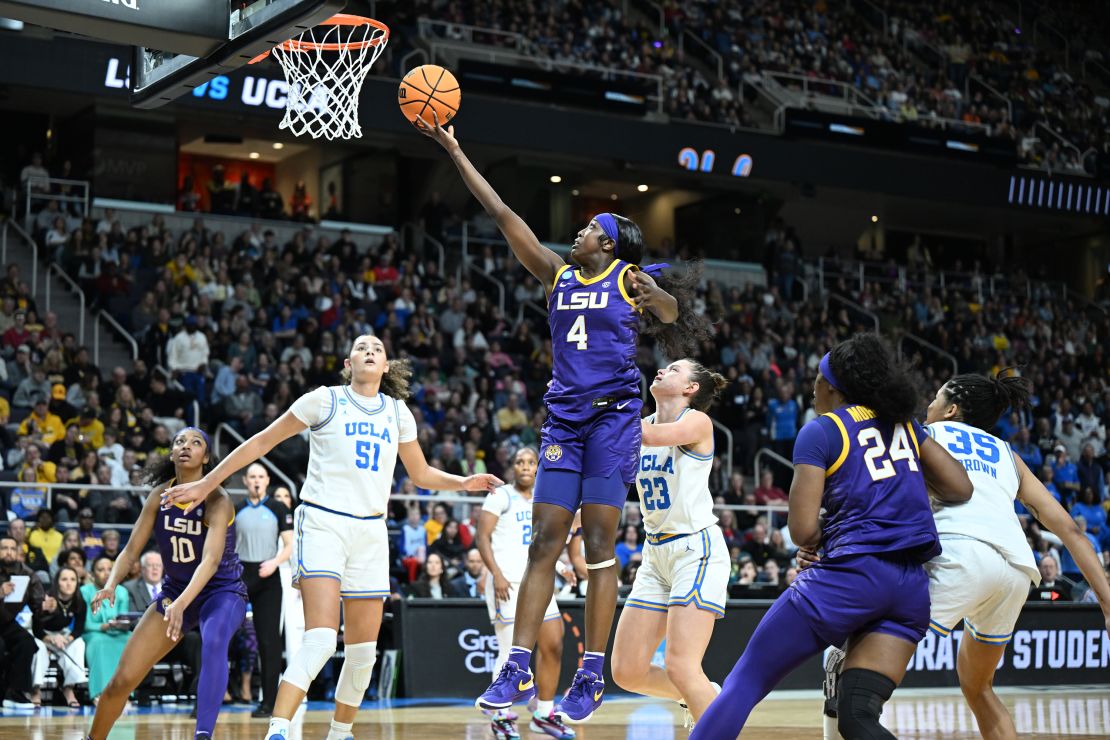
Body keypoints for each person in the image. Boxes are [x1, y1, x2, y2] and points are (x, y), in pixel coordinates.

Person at [418, 111, 710, 722]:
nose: (578, 231)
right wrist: (452, 147)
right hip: (565, 421)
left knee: (600, 542)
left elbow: (671, 310)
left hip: (613, 421)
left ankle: (591, 673)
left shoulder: (626, 280)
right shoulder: (557, 273)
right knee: (545, 541)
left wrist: (653, 294)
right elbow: (502, 213)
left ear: (608, 243)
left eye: (590, 228)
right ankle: (516, 664)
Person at [161, 335, 501, 740]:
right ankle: (279, 729)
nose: (370, 351)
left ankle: (340, 733)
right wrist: (206, 484)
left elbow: (421, 474)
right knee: (321, 639)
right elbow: (261, 442)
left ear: (387, 366)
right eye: (362, 347)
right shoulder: (324, 400)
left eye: (377, 348)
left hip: (371, 531)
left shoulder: (398, 413)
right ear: (348, 362)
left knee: (362, 655)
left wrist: (464, 482)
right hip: (324, 523)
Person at [691, 334, 974, 738]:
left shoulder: (822, 431)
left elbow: (802, 530)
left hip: (850, 579)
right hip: (909, 590)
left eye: (817, 379)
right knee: (857, 718)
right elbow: (959, 488)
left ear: (834, 387)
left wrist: (840, 529)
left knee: (745, 681)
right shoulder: (903, 424)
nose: (811, 388)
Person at [902, 372, 1110, 740]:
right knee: (978, 686)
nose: (928, 406)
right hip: (1015, 568)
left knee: (860, 657)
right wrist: (1108, 606)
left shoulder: (923, 435)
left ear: (951, 410)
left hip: (958, 551)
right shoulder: (1006, 454)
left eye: (935, 398)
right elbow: (1071, 531)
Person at [83, 427, 247, 740]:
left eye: (196, 442)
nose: (186, 446)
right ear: (171, 454)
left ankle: (203, 735)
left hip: (221, 591)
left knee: (213, 643)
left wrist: (182, 605)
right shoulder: (159, 496)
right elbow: (131, 550)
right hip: (175, 592)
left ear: (206, 457)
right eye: (179, 441)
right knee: (122, 680)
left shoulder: (218, 499)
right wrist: (111, 583)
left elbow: (210, 562)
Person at [612, 358, 731, 726]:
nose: (662, 370)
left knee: (681, 664)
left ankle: (709, 716)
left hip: (694, 549)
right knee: (626, 671)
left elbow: (644, 437)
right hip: (655, 553)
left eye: (674, 369)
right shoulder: (642, 425)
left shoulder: (695, 421)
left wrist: (598, 402)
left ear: (690, 388)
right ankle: (699, 693)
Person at [476, 448, 574, 739]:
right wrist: (496, 575)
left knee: (554, 644)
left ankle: (544, 713)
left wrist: (561, 565)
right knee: (509, 652)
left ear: (538, 467)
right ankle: (500, 716)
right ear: (512, 467)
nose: (525, 466)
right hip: (507, 582)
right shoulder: (500, 496)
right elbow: (482, 536)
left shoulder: (543, 501)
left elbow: (542, 543)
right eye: (520, 462)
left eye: (531, 462)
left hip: (538, 583)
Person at [234, 463, 294, 718]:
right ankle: (212, 698)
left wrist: (274, 563)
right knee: (220, 635)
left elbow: (290, 545)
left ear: (267, 480)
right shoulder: (236, 509)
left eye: (260, 476)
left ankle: (269, 703)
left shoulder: (278, 508)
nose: (256, 480)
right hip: (240, 575)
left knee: (269, 641)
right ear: (245, 481)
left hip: (268, 575)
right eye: (252, 477)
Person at [0, 535, 47, 707]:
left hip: (7, 623)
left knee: (26, 641)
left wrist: (46, 606)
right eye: (4, 548)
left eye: (13, 549)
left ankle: (15, 694)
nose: (9, 552)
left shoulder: (27, 573)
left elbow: (38, 602)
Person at [32, 566, 87, 708]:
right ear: (57, 582)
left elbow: (78, 630)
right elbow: (37, 629)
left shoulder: (80, 602)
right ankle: (36, 690)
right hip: (43, 636)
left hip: (63, 636)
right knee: (37, 648)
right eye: (64, 579)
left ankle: (68, 688)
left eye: (73, 579)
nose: (69, 583)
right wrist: (50, 639)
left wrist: (66, 640)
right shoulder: (47, 599)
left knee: (78, 643)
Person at [79, 555, 131, 704]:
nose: (106, 573)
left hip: (118, 633)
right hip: (94, 633)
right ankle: (100, 693)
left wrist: (121, 624)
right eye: (101, 569)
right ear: (92, 574)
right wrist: (104, 626)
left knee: (130, 640)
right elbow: (85, 624)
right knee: (99, 643)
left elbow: (124, 618)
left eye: (110, 569)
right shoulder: (84, 591)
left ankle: (124, 694)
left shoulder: (122, 592)